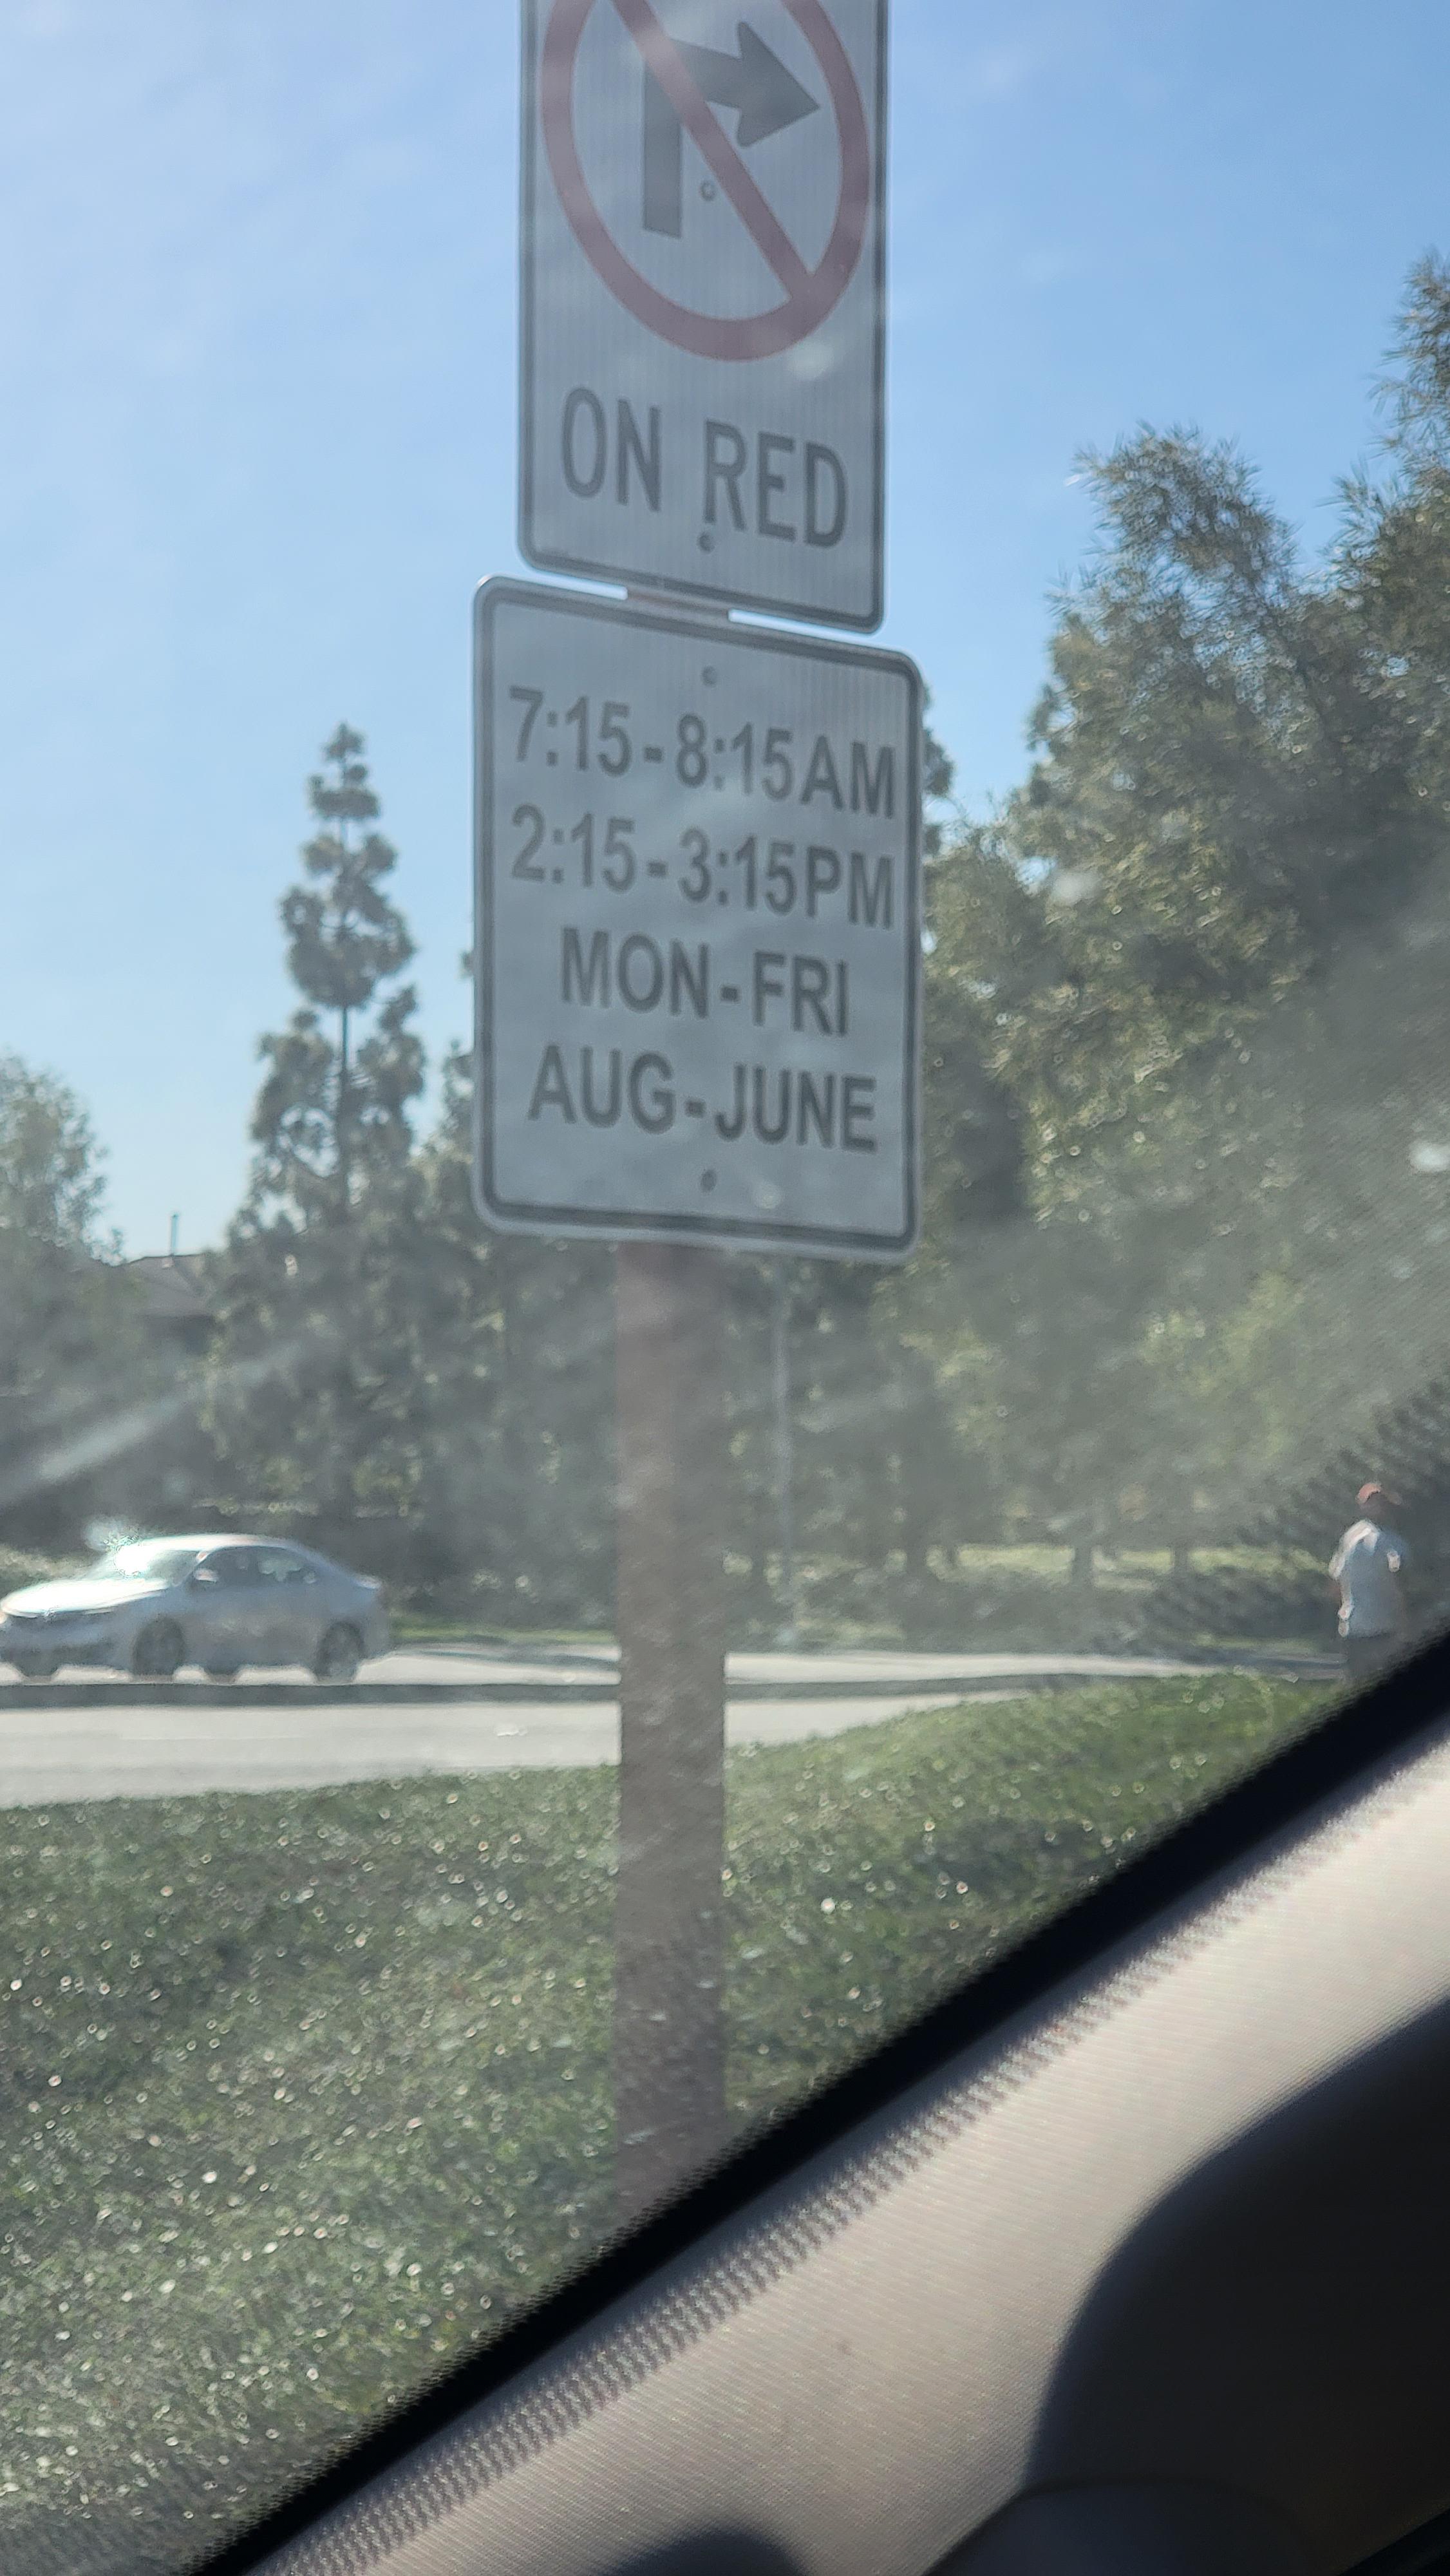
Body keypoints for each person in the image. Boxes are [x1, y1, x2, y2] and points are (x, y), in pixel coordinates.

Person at [1329, 1485, 1409, 1683]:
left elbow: (1334, 1583)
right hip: (1384, 1628)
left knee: (1357, 1684)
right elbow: (1399, 1582)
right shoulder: (1391, 1541)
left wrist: (1345, 1610)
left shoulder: (1350, 1537)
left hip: (1353, 1627)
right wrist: (1404, 1623)